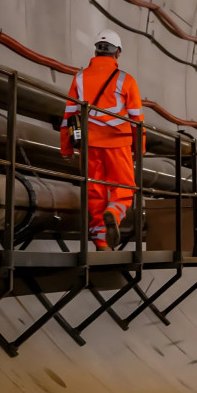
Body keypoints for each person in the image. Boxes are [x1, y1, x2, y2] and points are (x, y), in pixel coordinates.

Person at [60, 29, 145, 250]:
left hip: (89, 144)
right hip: (119, 143)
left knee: (94, 189)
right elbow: (137, 120)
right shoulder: (126, 80)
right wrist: (139, 149)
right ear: (117, 53)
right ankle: (114, 213)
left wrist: (66, 148)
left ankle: (101, 241)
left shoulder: (79, 78)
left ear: (96, 50)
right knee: (125, 186)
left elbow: (68, 116)